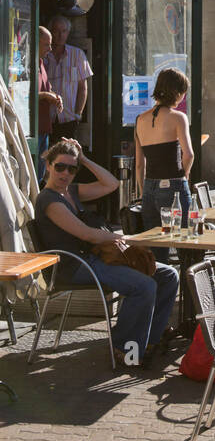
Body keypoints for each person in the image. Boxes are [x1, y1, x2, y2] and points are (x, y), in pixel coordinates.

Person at [35, 138, 178, 367]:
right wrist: (125, 238)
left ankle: (150, 340)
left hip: (95, 259)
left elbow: (111, 183)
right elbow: (87, 235)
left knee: (168, 274)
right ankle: (125, 349)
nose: (65, 173)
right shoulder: (49, 199)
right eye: (60, 166)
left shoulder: (71, 191)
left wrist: (84, 158)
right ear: (48, 165)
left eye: (72, 169)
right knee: (144, 286)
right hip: (73, 266)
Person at [135, 68, 194, 249]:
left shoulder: (140, 119)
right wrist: (184, 176)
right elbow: (189, 154)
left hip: (149, 188)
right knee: (185, 241)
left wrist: (143, 190)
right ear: (177, 92)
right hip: (173, 184)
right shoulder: (178, 118)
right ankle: (185, 277)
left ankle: (159, 277)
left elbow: (139, 164)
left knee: (154, 247)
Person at [43, 15, 92, 145]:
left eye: (64, 31)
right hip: (46, 119)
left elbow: (83, 88)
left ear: (68, 33)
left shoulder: (77, 55)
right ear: (50, 32)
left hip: (69, 119)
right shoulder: (43, 55)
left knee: (69, 158)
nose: (60, 35)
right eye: (56, 31)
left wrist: (78, 114)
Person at [37, 25, 63, 178]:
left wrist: (55, 96)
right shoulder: (26, 63)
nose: (50, 48)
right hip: (32, 130)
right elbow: (21, 94)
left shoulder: (41, 62)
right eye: (46, 44)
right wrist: (47, 95)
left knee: (40, 175)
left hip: (44, 127)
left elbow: (47, 88)